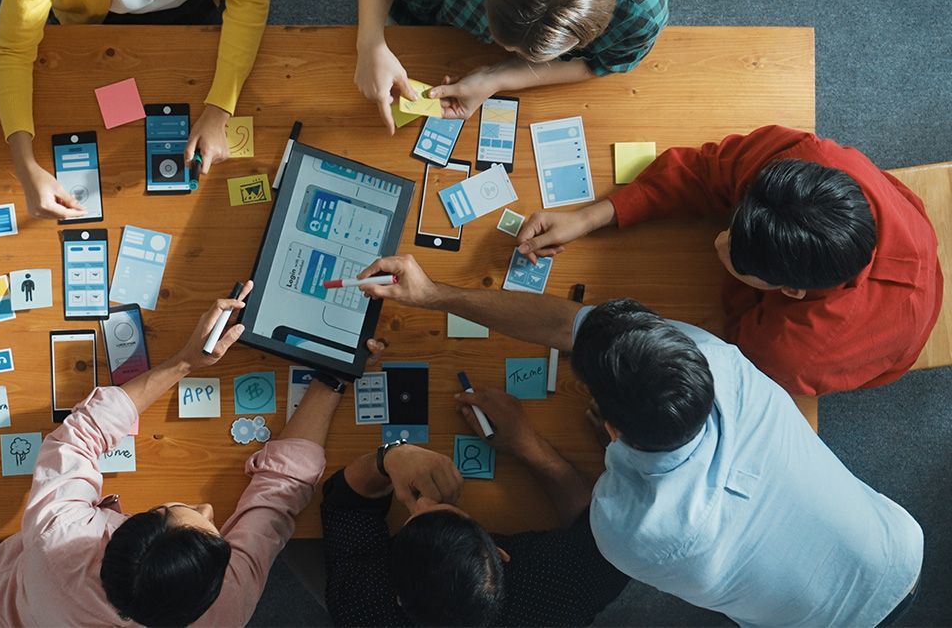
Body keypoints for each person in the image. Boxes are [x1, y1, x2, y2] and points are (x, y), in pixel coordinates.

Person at [353, 254, 923, 626]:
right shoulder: (713, 360)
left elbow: (592, 525)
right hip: (898, 546)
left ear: (611, 428)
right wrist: (434, 295)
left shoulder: (639, 533)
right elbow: (567, 324)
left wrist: (528, 443)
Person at [0, 282, 379, 626]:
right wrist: (334, 374)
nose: (208, 506)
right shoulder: (226, 607)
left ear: (117, 535)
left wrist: (183, 363)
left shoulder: (58, 540)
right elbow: (278, 497)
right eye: (213, 526)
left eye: (176, 510)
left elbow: (80, 434)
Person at [515, 125, 942, 396]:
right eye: (733, 220)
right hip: (908, 234)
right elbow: (705, 170)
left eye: (736, 259)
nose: (719, 241)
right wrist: (591, 216)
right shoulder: (808, 160)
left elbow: (741, 339)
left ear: (790, 292)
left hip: (892, 339)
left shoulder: (792, 353)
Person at [0, 0, 274, 219]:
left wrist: (219, 109)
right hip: (95, 28)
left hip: (198, 11)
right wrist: (25, 166)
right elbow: (13, 49)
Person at [321, 387, 629, 626]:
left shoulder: (362, 608)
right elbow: (603, 526)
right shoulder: (564, 589)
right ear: (500, 554)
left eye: (414, 515)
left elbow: (345, 505)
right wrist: (525, 442)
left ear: (398, 597)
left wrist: (389, 458)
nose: (425, 500)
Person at [355, 0, 669, 132]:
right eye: (509, 46)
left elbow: (599, 64)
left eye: (525, 55)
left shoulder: (643, 15)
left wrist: (497, 78)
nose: (506, 53)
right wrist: (370, 43)